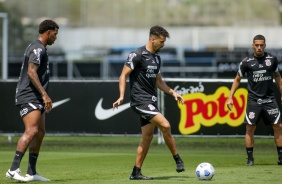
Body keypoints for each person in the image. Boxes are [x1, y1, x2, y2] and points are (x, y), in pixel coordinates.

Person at [113, 25, 185, 180]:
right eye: (161, 41)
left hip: (151, 101)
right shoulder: (137, 55)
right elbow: (122, 76)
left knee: (147, 137)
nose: (163, 44)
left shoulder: (157, 58)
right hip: (140, 100)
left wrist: (173, 93)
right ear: (152, 39)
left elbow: (159, 82)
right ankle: (177, 159)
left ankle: (136, 172)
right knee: (165, 125)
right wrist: (121, 96)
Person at [6, 19, 59, 182]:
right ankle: (13, 169)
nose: (56, 38)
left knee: (40, 132)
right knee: (32, 131)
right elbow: (31, 72)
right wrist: (44, 94)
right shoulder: (37, 48)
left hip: (36, 96)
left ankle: (31, 172)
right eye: (55, 34)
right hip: (29, 94)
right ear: (48, 32)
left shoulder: (41, 48)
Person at [227, 34, 282, 166]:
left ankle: (281, 158)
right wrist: (230, 97)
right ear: (253, 45)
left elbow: (278, 77)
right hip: (253, 101)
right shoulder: (246, 62)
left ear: (265, 46)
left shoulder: (272, 59)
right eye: (256, 45)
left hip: (269, 100)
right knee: (250, 128)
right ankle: (250, 159)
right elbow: (237, 79)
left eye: (261, 45)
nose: (259, 47)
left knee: (279, 126)